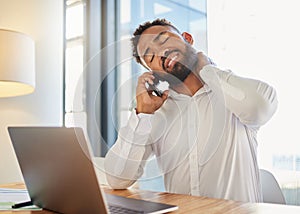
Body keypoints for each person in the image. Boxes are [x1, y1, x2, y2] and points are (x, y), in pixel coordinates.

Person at [104, 18, 278, 203]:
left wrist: (207, 69)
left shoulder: (232, 96)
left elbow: (259, 107)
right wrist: (142, 115)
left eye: (163, 39)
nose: (161, 53)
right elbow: (117, 178)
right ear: (151, 72)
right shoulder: (157, 114)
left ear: (187, 38)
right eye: (150, 56)